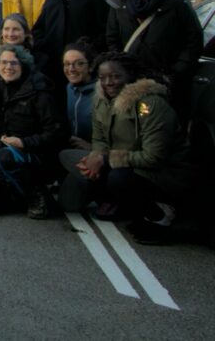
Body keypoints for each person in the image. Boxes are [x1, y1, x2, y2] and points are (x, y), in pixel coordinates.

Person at [59, 52, 193, 244]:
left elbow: (153, 157)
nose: (108, 82)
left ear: (130, 75)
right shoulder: (101, 99)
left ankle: (161, 213)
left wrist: (104, 159)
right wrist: (95, 156)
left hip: (162, 173)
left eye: (115, 76)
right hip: (120, 163)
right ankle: (116, 201)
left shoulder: (150, 104)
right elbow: (99, 138)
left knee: (118, 178)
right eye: (103, 77)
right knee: (67, 159)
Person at [0, 45, 65, 218]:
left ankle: (38, 194)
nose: (8, 67)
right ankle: (19, 198)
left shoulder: (39, 89)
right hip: (5, 151)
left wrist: (24, 143)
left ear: (24, 65)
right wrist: (2, 139)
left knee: (7, 156)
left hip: (37, 155)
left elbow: (56, 132)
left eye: (14, 63)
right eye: (3, 62)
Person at [105, 0, 203, 119]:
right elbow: (112, 39)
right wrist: (122, 68)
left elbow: (194, 39)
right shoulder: (119, 6)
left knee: (166, 127)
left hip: (169, 83)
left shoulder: (175, 2)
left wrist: (177, 71)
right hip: (132, 82)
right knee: (139, 124)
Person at [31, 0, 109, 84]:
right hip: (53, 64)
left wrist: (89, 53)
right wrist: (42, 53)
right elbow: (40, 27)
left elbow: (105, 30)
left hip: (83, 66)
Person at [63, 42, 97, 150]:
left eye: (79, 63)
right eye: (67, 64)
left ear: (91, 66)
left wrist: (92, 147)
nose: (71, 69)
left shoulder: (102, 93)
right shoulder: (70, 88)